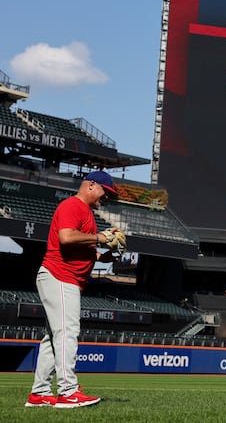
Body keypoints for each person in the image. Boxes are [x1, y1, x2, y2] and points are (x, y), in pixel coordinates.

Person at [25, 171, 121, 408]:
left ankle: (39, 393)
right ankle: (68, 391)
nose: (106, 197)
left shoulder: (86, 212)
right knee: (67, 332)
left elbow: (80, 247)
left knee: (53, 337)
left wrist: (103, 256)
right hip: (60, 276)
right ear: (90, 185)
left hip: (63, 277)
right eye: (104, 191)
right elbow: (66, 237)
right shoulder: (73, 205)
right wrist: (99, 237)